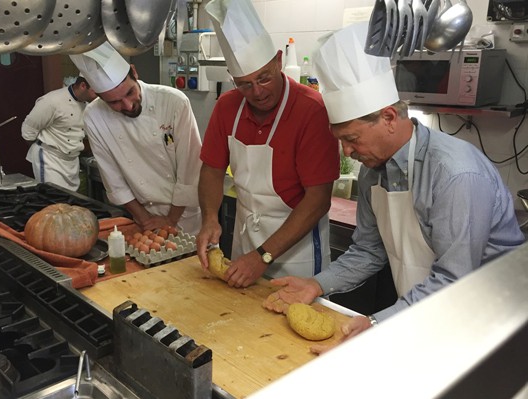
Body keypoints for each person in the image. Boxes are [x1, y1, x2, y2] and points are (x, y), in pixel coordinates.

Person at [262, 22, 525, 345]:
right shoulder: (373, 172)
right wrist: (316, 285)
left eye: (352, 139)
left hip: (492, 321)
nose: (347, 151)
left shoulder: (455, 175)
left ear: (388, 118)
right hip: (428, 312)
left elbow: (454, 279)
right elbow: (369, 250)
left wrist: (376, 323)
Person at [196, 0, 340, 288]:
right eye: (244, 84)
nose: (257, 92)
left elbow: (318, 200)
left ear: (278, 60)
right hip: (245, 240)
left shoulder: (311, 110)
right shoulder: (227, 107)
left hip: (296, 251)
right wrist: (210, 218)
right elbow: (211, 170)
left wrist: (263, 256)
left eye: (264, 78)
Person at [69, 42, 202, 235]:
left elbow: (190, 169)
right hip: (142, 214)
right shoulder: (94, 116)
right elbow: (114, 179)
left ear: (134, 72)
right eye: (114, 102)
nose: (128, 105)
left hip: (184, 214)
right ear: (97, 95)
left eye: (130, 92)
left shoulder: (174, 102)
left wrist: (170, 219)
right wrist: (144, 219)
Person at [21, 76, 97, 191]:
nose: (99, 95)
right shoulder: (52, 101)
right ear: (83, 86)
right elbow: (28, 131)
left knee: (70, 202)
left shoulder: (88, 105)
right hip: (50, 161)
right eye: (96, 91)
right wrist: (45, 148)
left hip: (72, 162)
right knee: (52, 199)